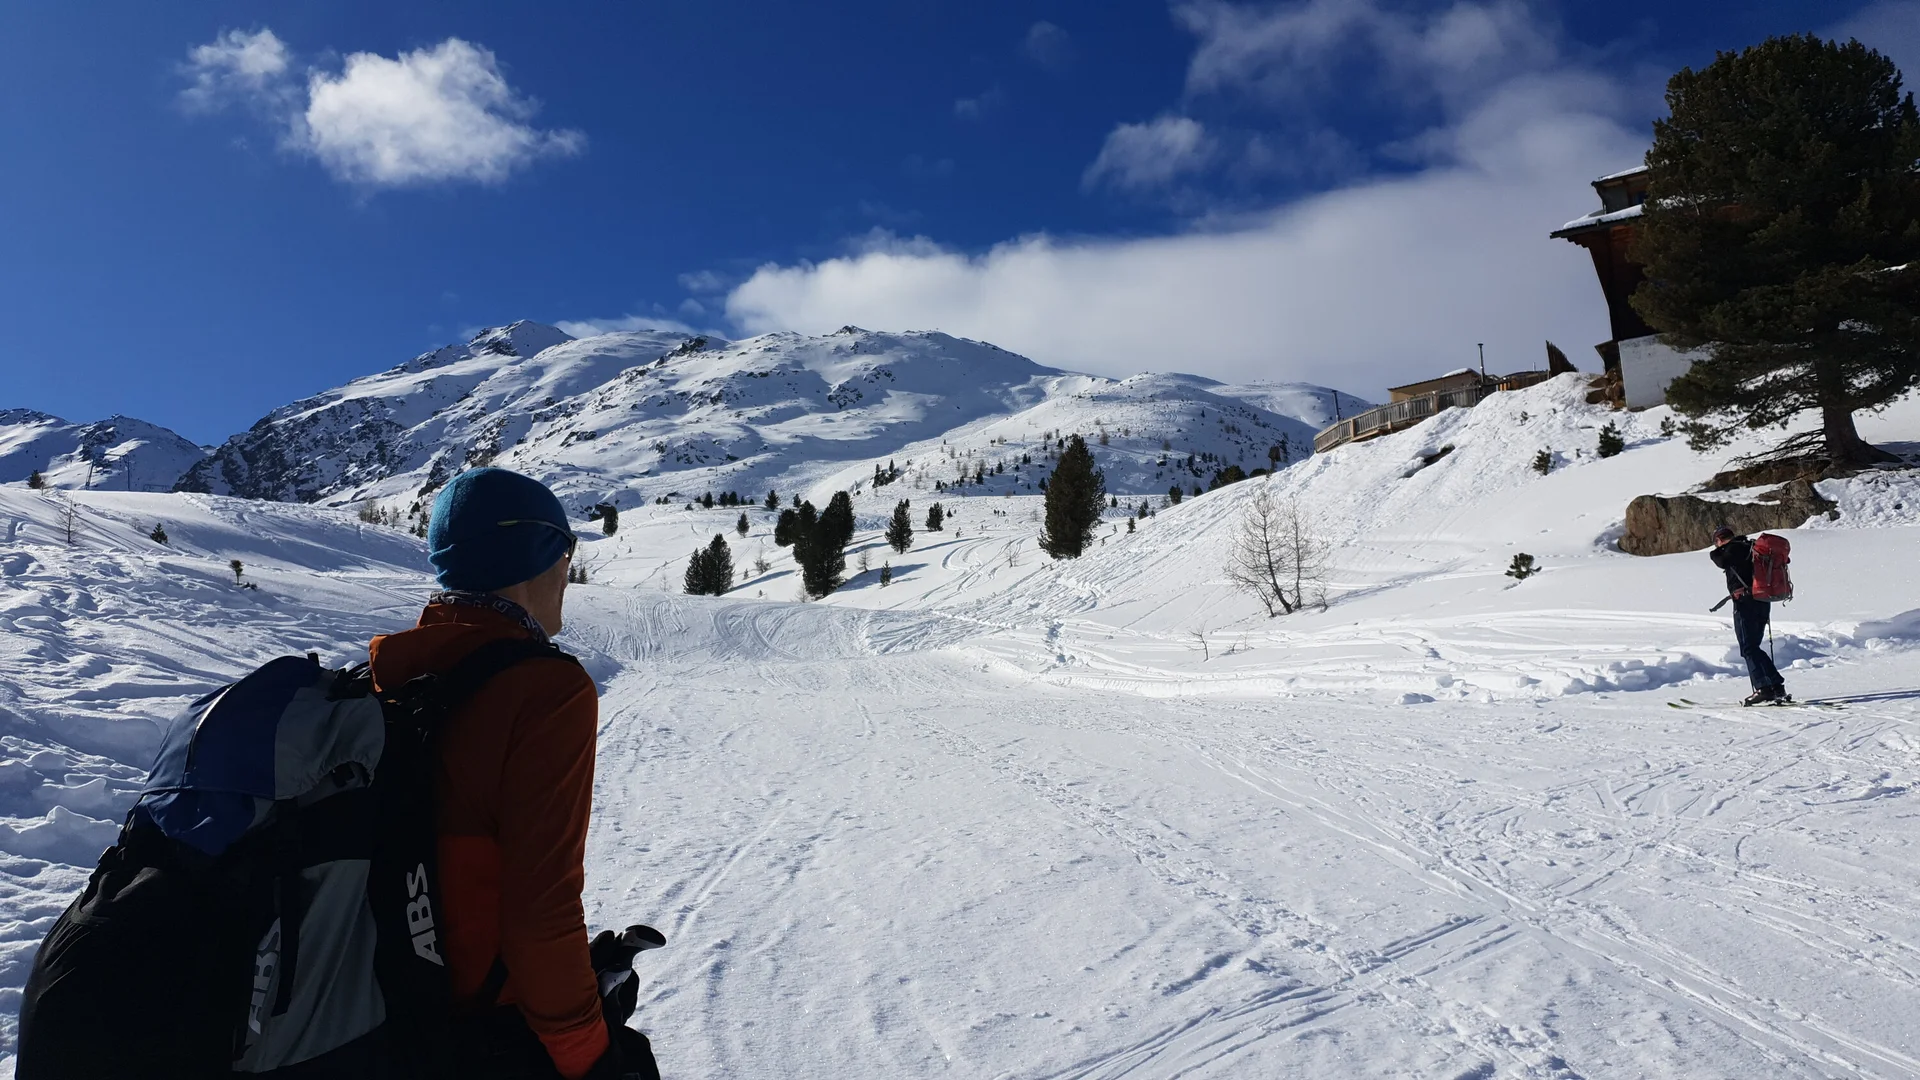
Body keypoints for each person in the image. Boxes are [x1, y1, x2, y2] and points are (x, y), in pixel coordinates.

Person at [370, 467, 656, 1079]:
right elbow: (540, 907)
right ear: (541, 556)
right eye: (566, 553)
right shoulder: (545, 690)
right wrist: (590, 1053)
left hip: (379, 1019)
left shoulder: (391, 681)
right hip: (477, 1033)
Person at [1710, 524, 1788, 706]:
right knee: (1753, 647)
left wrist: (1717, 550)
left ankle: (1764, 688)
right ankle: (1776, 687)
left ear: (1719, 540)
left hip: (1745, 602)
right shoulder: (1750, 547)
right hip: (1762, 600)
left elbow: (1720, 561)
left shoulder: (1733, 549)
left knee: (1748, 648)